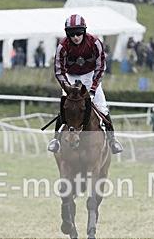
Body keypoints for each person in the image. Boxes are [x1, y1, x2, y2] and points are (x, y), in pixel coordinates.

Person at [47, 14, 123, 155]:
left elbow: (101, 67)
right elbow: (58, 71)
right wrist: (67, 88)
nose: (76, 37)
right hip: (70, 77)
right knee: (66, 108)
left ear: (84, 31)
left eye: (79, 33)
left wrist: (93, 88)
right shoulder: (62, 47)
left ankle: (112, 140)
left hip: (90, 76)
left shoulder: (95, 43)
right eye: (72, 34)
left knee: (102, 108)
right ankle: (56, 140)